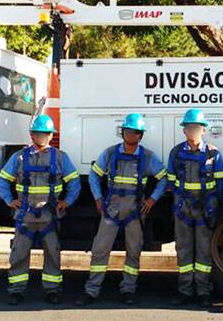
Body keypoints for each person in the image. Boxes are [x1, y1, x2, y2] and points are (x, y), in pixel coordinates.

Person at [76, 113, 168, 306]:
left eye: (134, 132)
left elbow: (163, 178)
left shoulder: (148, 157)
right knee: (100, 250)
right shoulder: (110, 154)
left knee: (133, 252)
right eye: (127, 131)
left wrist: (152, 200)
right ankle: (91, 291)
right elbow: (94, 176)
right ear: (123, 133)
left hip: (135, 212)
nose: (130, 135)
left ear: (140, 135)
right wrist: (98, 198)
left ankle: (128, 289)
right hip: (111, 211)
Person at [0, 115, 82, 305]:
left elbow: (74, 181)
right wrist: (10, 200)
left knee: (52, 253)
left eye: (45, 134)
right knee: (19, 254)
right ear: (32, 135)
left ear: (51, 136)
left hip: (49, 216)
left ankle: (52, 290)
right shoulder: (19, 157)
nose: (41, 137)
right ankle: (16, 291)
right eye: (37, 134)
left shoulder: (60, 157)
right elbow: (2, 180)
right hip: (24, 216)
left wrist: (66, 201)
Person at [167, 109, 223, 307]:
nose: (192, 131)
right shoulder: (176, 153)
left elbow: (222, 182)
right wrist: (179, 201)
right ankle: (185, 291)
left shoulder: (214, 153)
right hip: (183, 210)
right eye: (189, 128)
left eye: (196, 128)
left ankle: (203, 292)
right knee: (183, 251)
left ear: (203, 130)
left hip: (204, 210)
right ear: (184, 131)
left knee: (203, 252)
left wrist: (212, 202)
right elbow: (170, 180)